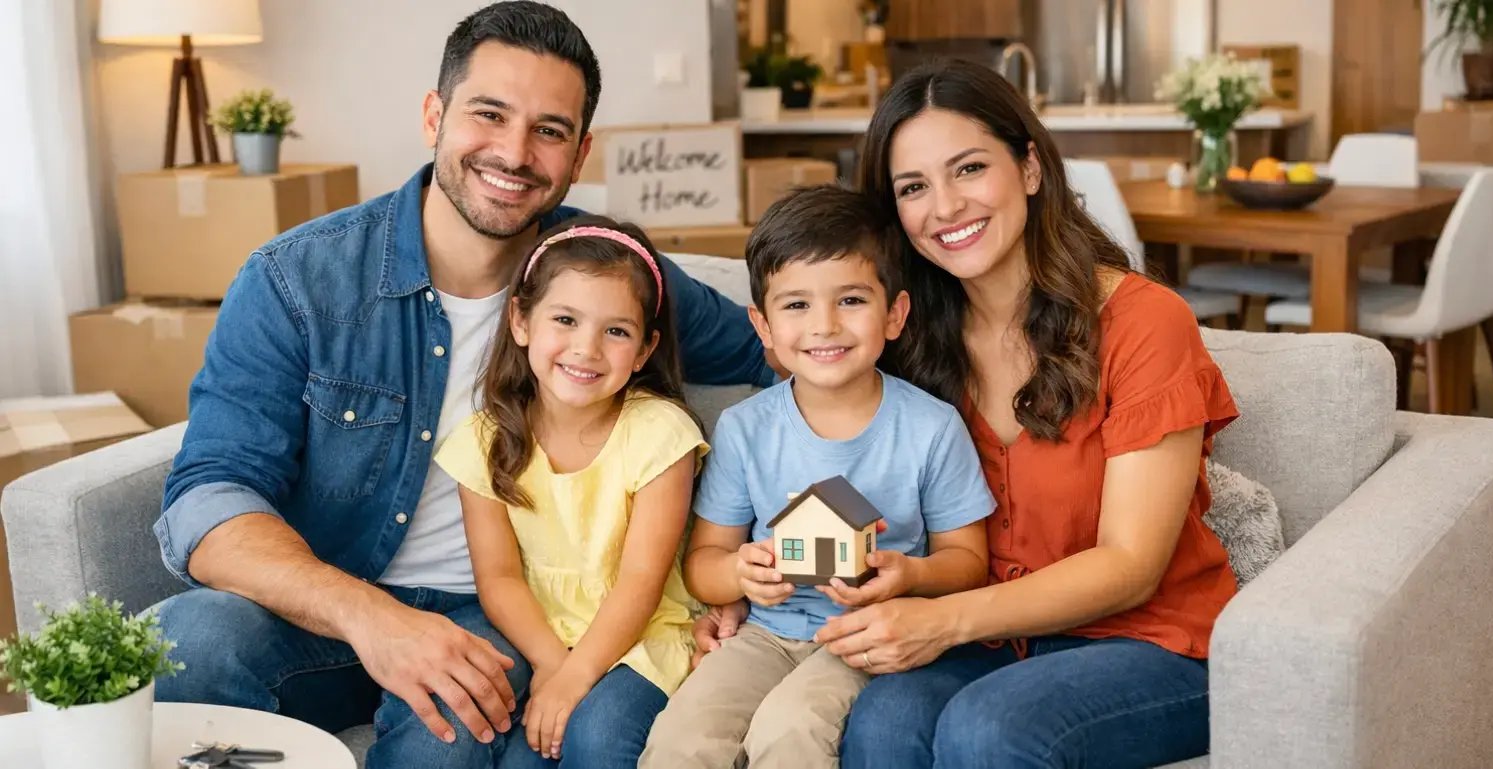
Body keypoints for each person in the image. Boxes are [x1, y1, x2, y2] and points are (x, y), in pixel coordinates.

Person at [151, 2, 772, 765]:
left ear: (579, 156)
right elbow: (208, 497)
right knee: (187, 641)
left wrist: (740, 565)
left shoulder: (607, 276)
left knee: (445, 733)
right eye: (489, 114)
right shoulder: (298, 279)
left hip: (496, 616)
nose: (514, 152)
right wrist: (369, 616)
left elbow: (791, 351)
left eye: (548, 129)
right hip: (326, 606)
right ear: (434, 116)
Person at [695, 59, 1242, 768]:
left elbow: (1131, 565)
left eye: (969, 169)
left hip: (1147, 642)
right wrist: (737, 594)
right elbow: (792, 368)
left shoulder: (1144, 322)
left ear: (1031, 167)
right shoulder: (901, 334)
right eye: (913, 187)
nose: (946, 206)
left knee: (990, 729)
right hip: (984, 640)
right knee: (880, 725)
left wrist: (941, 619)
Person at [641, 185, 995, 769]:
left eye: (851, 300)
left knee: (792, 732)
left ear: (895, 314)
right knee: (681, 738)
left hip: (868, 635)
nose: (824, 326)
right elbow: (703, 565)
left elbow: (968, 560)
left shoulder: (932, 428)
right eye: (797, 305)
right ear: (763, 326)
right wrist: (739, 573)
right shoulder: (745, 429)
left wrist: (909, 573)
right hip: (763, 636)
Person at [403, 216, 706, 768]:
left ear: (644, 349)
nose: (586, 349)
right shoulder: (484, 442)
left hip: (638, 641)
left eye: (616, 331)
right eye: (565, 319)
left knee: (597, 735)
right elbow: (497, 578)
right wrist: (550, 667)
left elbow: (642, 581)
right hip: (539, 639)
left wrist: (576, 676)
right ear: (520, 320)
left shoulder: (662, 434)